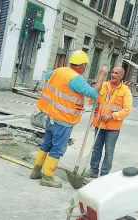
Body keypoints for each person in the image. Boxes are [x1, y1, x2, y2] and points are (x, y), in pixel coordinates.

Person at [30, 50, 108, 188]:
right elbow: (93, 93)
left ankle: (36, 171)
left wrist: (58, 95)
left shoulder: (59, 71)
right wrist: (102, 75)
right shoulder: (76, 79)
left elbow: (47, 78)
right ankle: (47, 177)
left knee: (46, 144)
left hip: (51, 116)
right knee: (57, 149)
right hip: (63, 120)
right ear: (82, 66)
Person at [84, 66, 133, 178]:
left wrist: (112, 116)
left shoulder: (125, 91)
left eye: (116, 73)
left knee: (109, 152)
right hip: (99, 124)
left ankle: (104, 175)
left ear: (121, 76)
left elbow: (127, 110)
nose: (113, 75)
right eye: (112, 72)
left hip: (113, 128)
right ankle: (93, 170)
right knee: (96, 149)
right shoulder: (104, 86)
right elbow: (92, 100)